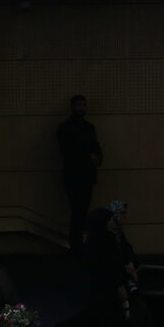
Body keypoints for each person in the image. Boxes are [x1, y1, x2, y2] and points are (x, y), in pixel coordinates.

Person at [56, 93, 102, 255]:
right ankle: (77, 247)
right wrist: (92, 158)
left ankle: (77, 247)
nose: (81, 108)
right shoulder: (66, 128)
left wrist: (97, 157)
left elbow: (96, 147)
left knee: (80, 212)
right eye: (79, 105)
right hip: (75, 176)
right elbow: (67, 151)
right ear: (73, 107)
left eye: (83, 105)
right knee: (79, 212)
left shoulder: (87, 127)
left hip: (83, 175)